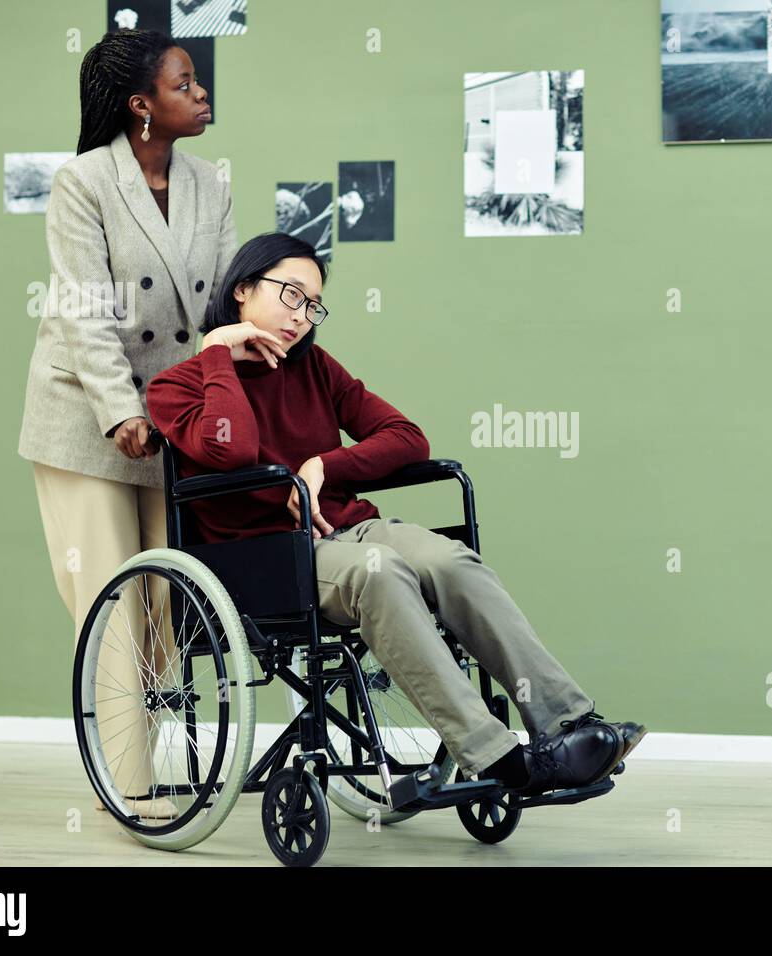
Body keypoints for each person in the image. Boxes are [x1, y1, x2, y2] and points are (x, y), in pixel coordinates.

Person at [146, 231, 646, 795]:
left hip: (351, 528)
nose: (302, 315)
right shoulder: (175, 388)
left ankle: (570, 725)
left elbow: (407, 437)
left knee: (450, 560)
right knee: (379, 571)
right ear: (243, 289)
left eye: (313, 305)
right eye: (291, 294)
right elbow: (230, 450)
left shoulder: (317, 370)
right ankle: (503, 762)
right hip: (266, 553)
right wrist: (217, 352)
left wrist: (322, 466)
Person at [17, 29, 236, 818]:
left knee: (166, 599)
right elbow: (81, 311)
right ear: (142, 106)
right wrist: (118, 413)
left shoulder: (211, 183)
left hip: (169, 418)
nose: (202, 91)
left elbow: (219, 308)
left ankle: (153, 766)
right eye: (186, 82)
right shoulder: (83, 182)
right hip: (88, 414)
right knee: (114, 593)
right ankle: (134, 790)